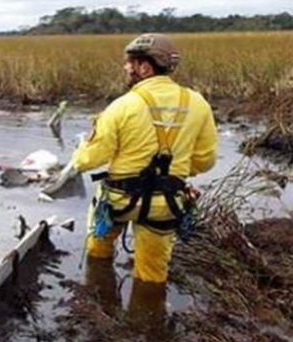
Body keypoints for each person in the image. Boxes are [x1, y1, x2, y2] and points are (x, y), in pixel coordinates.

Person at [69, 33, 218, 284]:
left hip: (119, 202)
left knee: (97, 249)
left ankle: (98, 293)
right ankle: (148, 316)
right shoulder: (198, 103)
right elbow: (205, 161)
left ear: (145, 67)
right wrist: (176, 170)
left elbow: (86, 161)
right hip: (166, 204)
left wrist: (82, 147)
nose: (126, 67)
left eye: (130, 63)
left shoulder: (121, 106)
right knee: (152, 275)